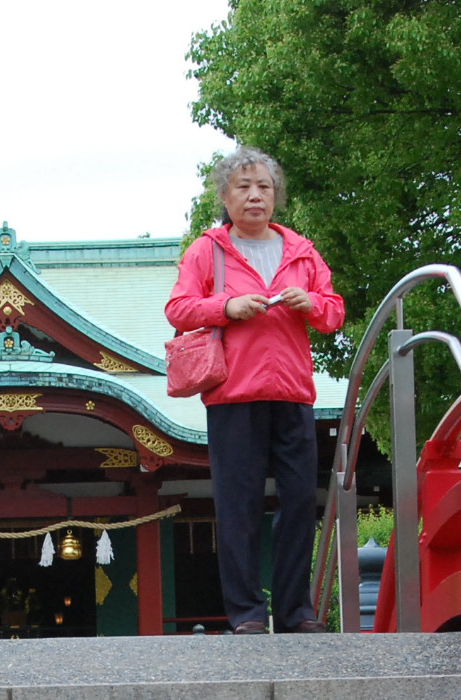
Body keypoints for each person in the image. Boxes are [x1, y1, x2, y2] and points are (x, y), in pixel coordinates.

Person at [166, 147, 346, 634]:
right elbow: (179, 309)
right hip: (233, 394)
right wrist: (228, 306)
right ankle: (245, 612)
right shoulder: (207, 250)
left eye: (264, 187)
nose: (254, 196)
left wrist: (309, 301)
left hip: (292, 393)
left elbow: (334, 313)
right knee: (238, 506)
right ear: (224, 197)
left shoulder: (302, 252)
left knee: (298, 503)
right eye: (243, 187)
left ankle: (295, 612)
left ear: (276, 196)